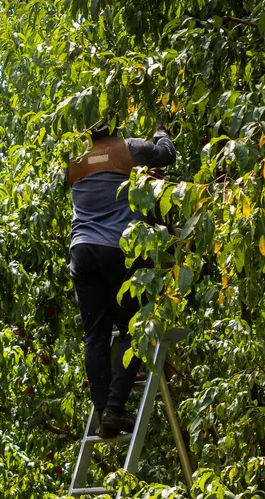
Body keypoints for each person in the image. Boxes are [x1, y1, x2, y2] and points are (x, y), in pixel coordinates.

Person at [66, 120, 176, 438]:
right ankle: (114, 408)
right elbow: (166, 155)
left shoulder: (74, 160)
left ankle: (103, 413)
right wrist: (160, 131)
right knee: (134, 328)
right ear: (113, 122)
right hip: (118, 248)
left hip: (82, 251)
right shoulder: (129, 147)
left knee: (95, 336)